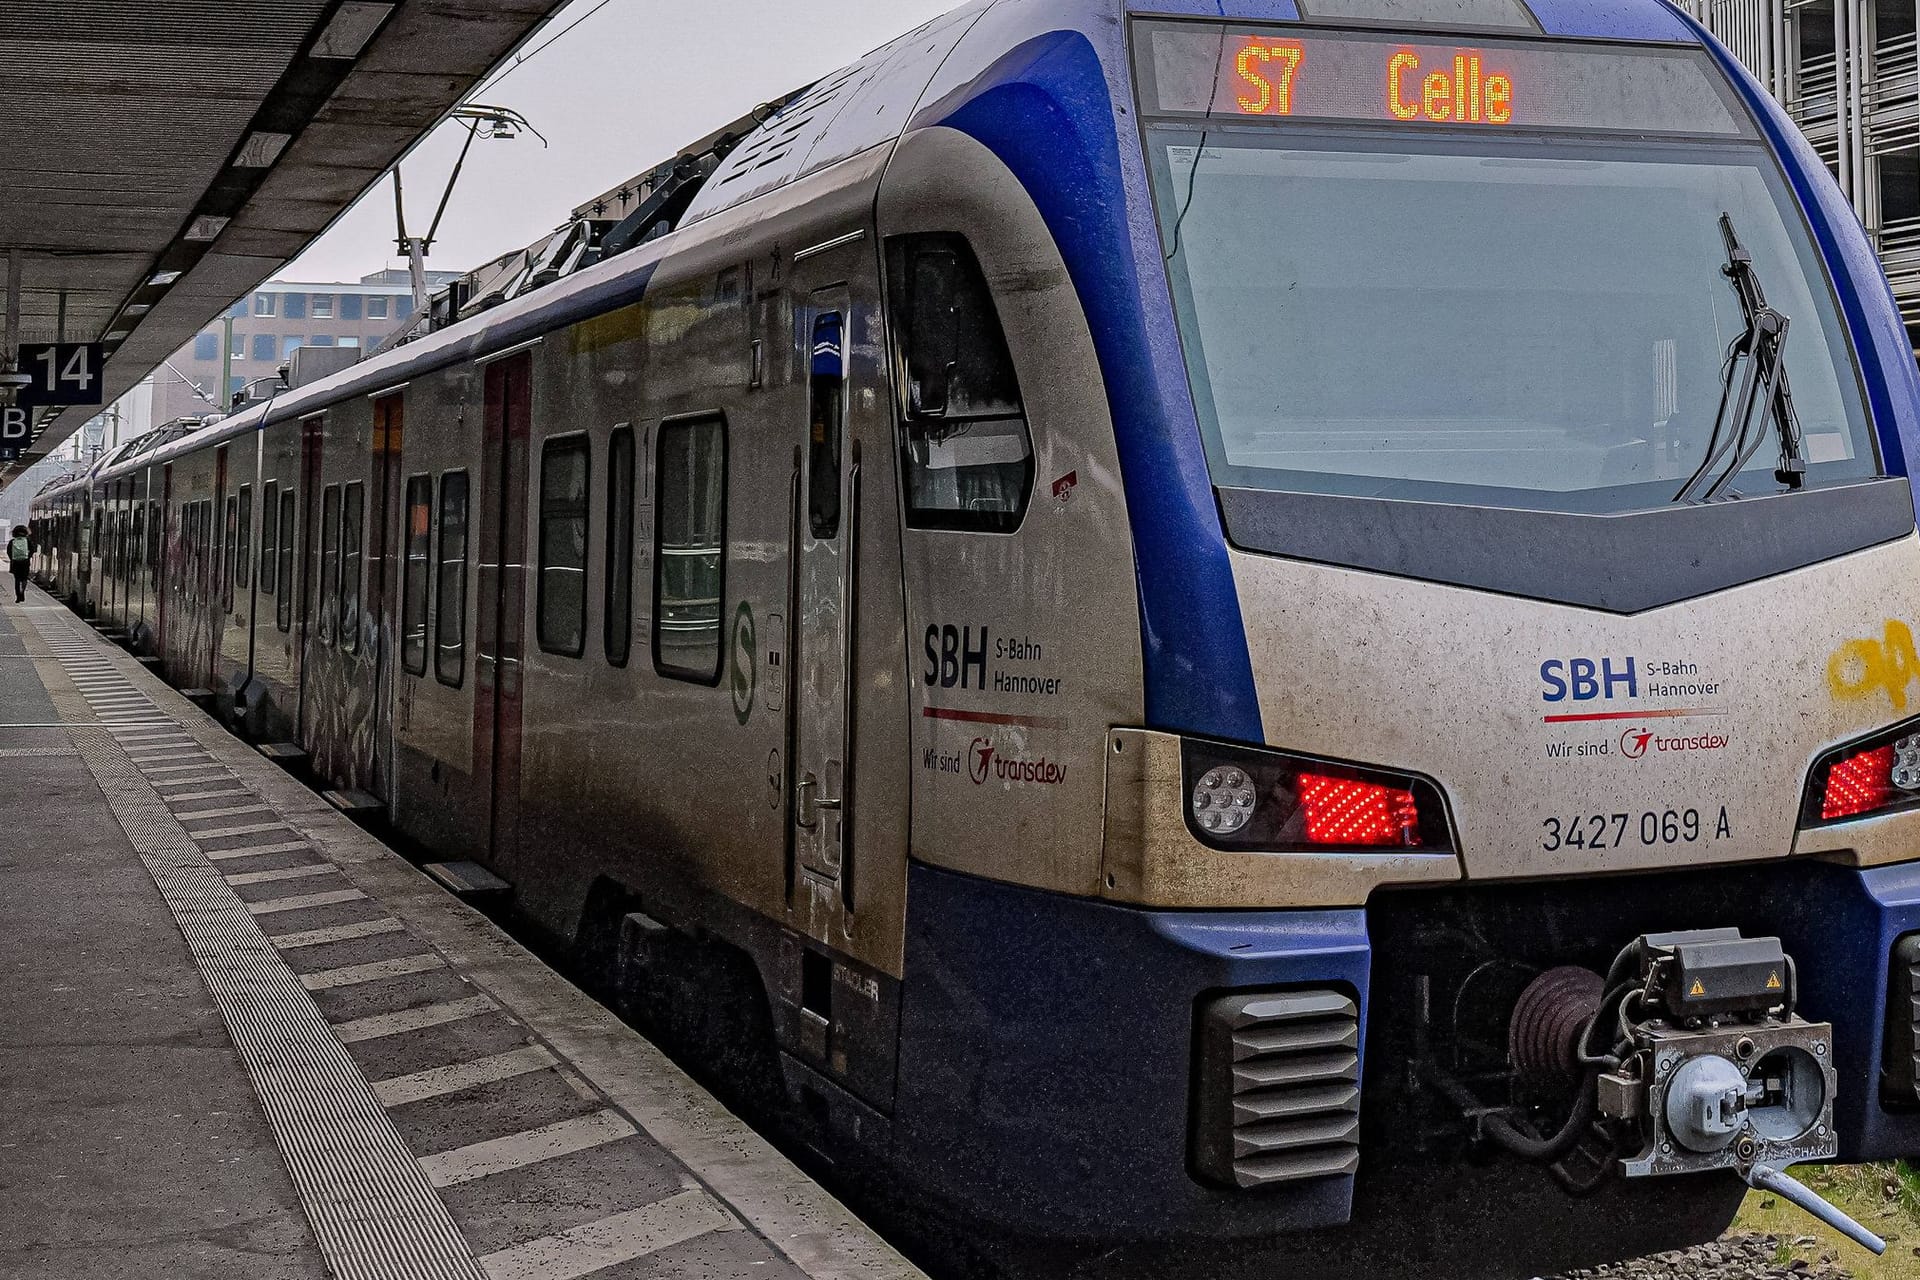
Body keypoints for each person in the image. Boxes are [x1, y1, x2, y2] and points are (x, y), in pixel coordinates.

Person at [8, 525, 30, 603]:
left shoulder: (12, 542)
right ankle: (22, 592)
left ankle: (18, 597)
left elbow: (9, 552)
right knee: (24, 579)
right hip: (25, 562)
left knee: (17, 580)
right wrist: (27, 557)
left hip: (15, 563)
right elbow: (33, 549)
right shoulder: (27, 541)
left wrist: (12, 558)